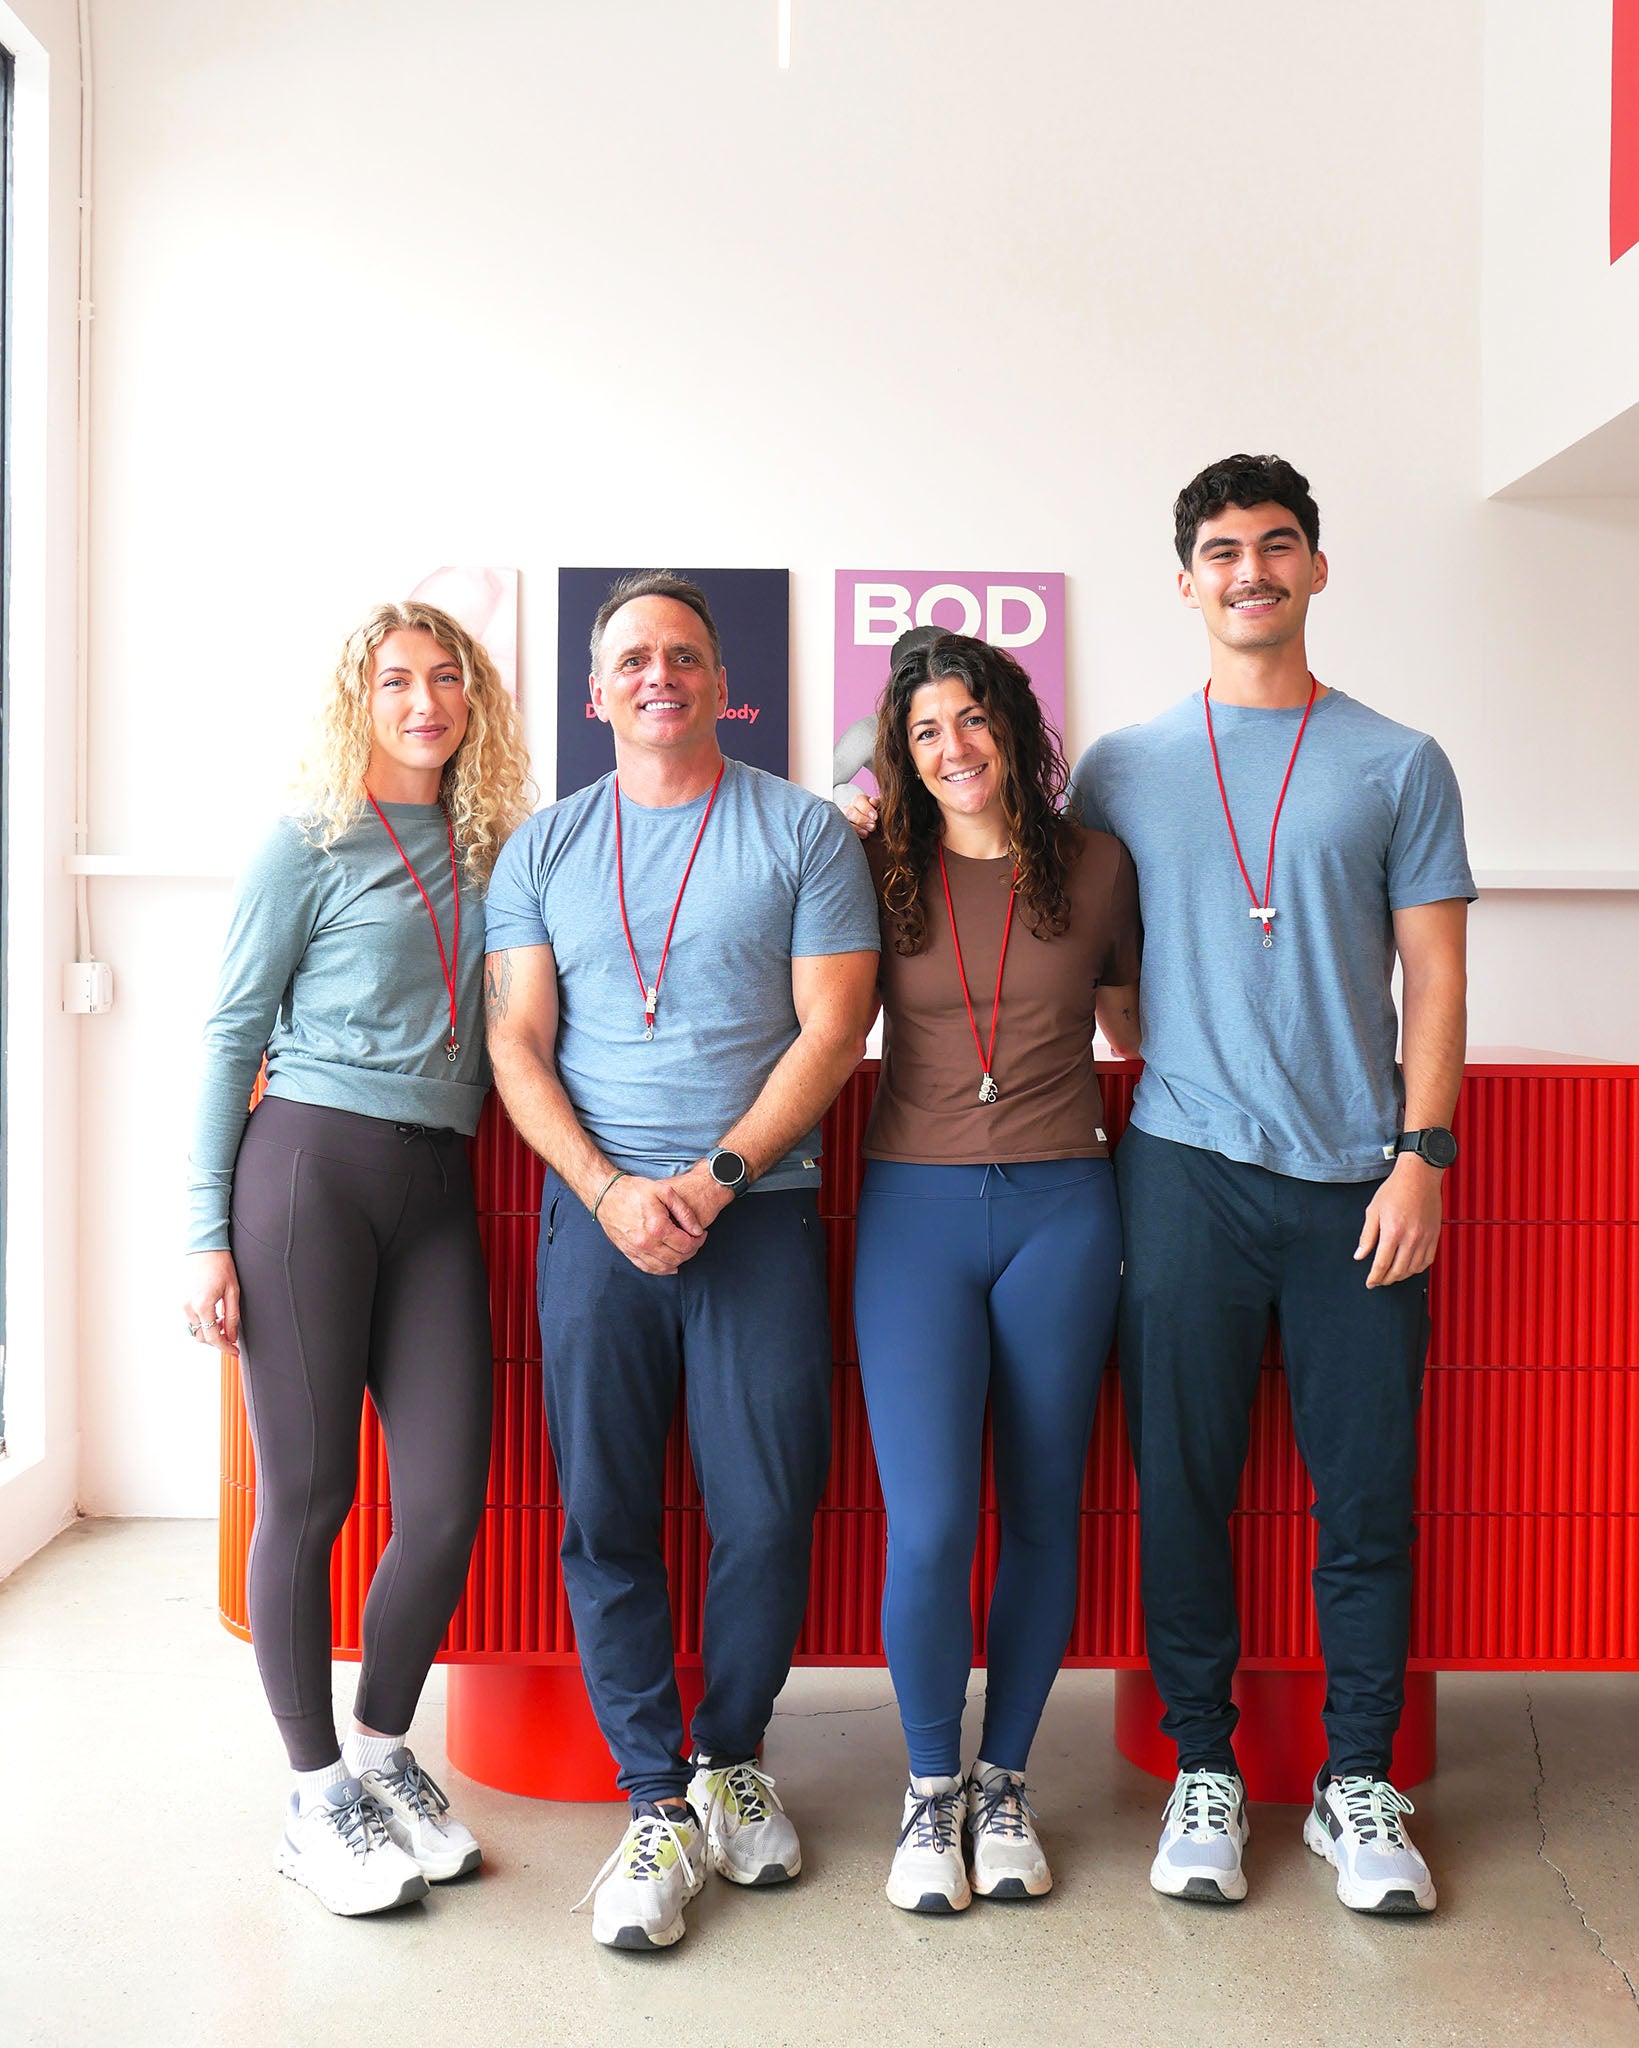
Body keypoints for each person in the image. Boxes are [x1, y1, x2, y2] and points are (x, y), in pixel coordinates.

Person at [1070, 454, 1474, 1916]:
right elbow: (1095, 961)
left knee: (1363, 1498)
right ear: (1183, 582)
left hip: (1356, 1187)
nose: (1249, 570)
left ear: (1313, 568)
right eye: (1221, 550)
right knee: (1182, 1492)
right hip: (1180, 1177)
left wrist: (1419, 1156)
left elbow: (1432, 976)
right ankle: (1204, 1771)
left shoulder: (1396, 761)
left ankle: (1357, 1784)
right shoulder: (1120, 764)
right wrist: (1172, 1054)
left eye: (1275, 545)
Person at [483, 571, 879, 1952]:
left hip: (754, 1212)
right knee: (604, 1513)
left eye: (686, 657)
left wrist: (710, 1181)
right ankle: (652, 1796)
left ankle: (727, 1757)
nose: (661, 674)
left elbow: (831, 1032)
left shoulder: (801, 833)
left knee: (765, 1510)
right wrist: (606, 1191)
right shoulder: (538, 847)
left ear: (725, 684)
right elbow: (516, 1045)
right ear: (596, 695)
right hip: (596, 1222)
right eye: (634, 659)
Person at [182, 600, 533, 1917]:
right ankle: (311, 1789)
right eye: (397, 680)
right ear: (359, 698)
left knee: (444, 1502)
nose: (424, 701)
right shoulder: (308, 840)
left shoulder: (498, 849)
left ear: (474, 702)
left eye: (446, 680)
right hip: (309, 1175)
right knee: (311, 1497)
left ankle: (385, 1751)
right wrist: (201, 1235)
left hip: (436, 1183)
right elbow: (225, 1038)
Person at [841, 629, 1139, 1913]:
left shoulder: (1095, 862)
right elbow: (801, 1015)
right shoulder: (866, 866)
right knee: (934, 1521)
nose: (952, 746)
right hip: (912, 1208)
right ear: (899, 758)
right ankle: (928, 1792)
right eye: (923, 732)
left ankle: (1005, 1779)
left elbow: (1139, 1026)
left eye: (971, 719)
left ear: (1013, 726)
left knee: (1040, 1509)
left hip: (1065, 1207)